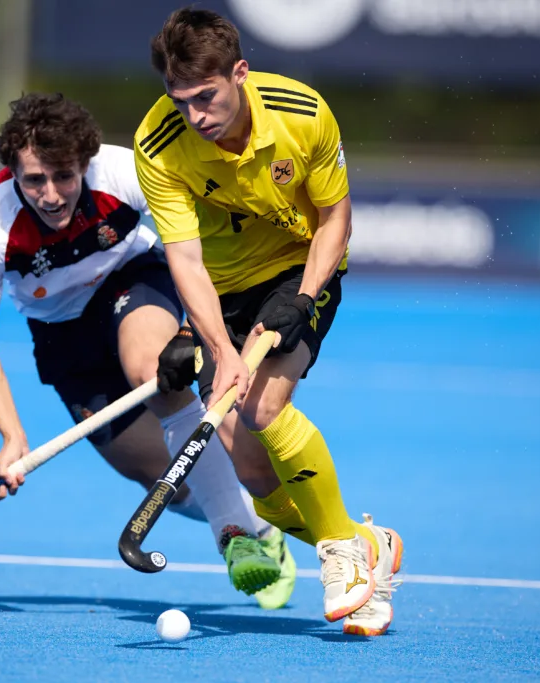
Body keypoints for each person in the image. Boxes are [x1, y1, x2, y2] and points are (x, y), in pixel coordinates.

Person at [0, 92, 296, 608]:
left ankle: (234, 535)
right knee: (158, 475)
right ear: (13, 172)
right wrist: (12, 435)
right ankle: (259, 527)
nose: (51, 195)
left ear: (84, 162)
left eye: (64, 176)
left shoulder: (123, 173)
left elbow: (203, 246)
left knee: (153, 373)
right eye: (34, 180)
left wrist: (191, 333)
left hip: (130, 280)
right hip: (61, 333)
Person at [135, 8, 403, 636]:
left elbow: (335, 218)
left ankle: (339, 557)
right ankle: (368, 546)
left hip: (298, 268)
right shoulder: (159, 144)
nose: (194, 115)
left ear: (240, 73)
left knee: (261, 406)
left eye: (206, 96)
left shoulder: (302, 114)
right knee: (256, 476)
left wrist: (303, 298)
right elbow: (186, 261)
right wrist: (210, 344)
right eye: (180, 100)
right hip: (222, 291)